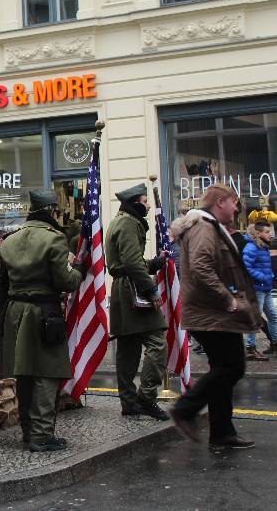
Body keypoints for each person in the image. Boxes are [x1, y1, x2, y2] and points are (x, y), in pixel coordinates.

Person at [169, 184, 262, 449]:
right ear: (220, 202)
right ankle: (185, 409)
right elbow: (200, 266)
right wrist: (228, 298)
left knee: (224, 369)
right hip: (211, 314)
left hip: (213, 314)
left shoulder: (210, 228)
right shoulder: (204, 228)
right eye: (234, 202)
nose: (236, 208)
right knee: (232, 367)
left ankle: (222, 433)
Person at [0, 190, 83, 452]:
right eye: (56, 211)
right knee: (48, 373)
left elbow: (1, 285)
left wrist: (6, 315)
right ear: (50, 212)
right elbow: (65, 280)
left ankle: (28, 431)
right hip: (45, 312)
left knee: (24, 374)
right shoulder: (54, 239)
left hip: (15, 312)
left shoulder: (8, 242)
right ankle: (42, 435)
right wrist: (78, 271)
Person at [105, 183, 169, 421]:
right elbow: (131, 263)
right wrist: (151, 289)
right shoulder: (130, 223)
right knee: (157, 343)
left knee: (128, 350)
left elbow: (126, 261)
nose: (148, 205)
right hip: (133, 290)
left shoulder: (118, 221)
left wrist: (153, 264)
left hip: (122, 289)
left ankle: (129, 402)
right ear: (134, 203)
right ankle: (146, 398)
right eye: (144, 201)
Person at [243, 221, 277, 356]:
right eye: (267, 232)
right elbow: (246, 267)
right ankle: (250, 347)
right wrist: (263, 277)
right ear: (258, 233)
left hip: (266, 288)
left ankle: (274, 343)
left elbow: (264, 267)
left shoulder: (263, 247)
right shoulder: (251, 248)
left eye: (271, 232)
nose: (271, 235)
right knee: (255, 318)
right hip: (257, 288)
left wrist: (270, 276)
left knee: (273, 316)